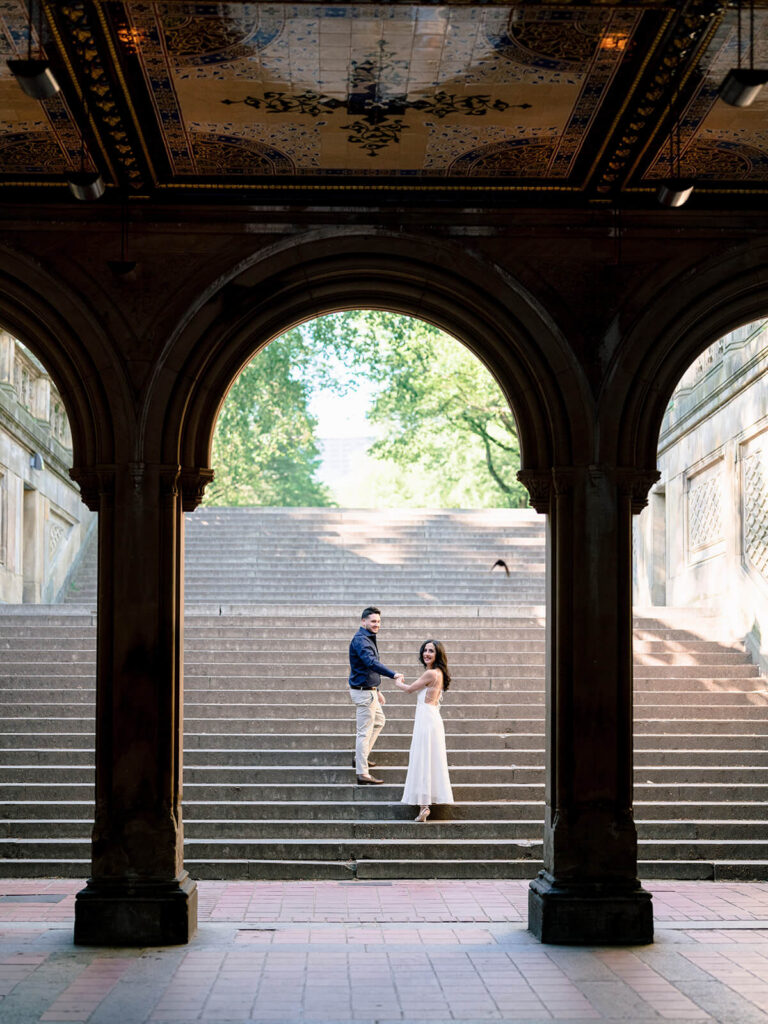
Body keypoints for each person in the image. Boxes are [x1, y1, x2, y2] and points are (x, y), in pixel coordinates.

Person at [395, 639, 454, 821]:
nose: (427, 653)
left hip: (427, 719)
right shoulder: (439, 673)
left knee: (423, 758)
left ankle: (424, 806)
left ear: (438, 655)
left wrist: (397, 681)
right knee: (429, 758)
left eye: (431, 651)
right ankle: (425, 803)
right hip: (431, 717)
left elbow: (409, 689)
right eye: (425, 650)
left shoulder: (430, 673)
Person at [348, 606, 404, 785]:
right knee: (364, 733)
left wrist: (377, 690)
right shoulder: (362, 640)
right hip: (364, 694)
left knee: (379, 721)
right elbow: (370, 662)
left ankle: (360, 757)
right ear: (363, 621)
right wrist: (393, 674)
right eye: (373, 621)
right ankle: (362, 773)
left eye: (378, 621)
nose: (376, 624)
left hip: (369, 691)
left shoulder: (367, 638)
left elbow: (364, 668)